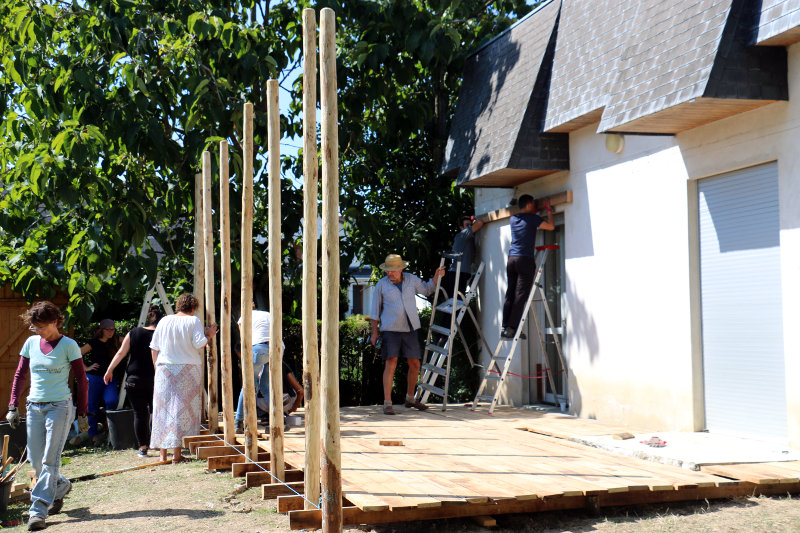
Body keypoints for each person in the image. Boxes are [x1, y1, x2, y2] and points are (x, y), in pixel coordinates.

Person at [6, 301, 89, 531]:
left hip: (59, 407)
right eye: (34, 327)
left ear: (54, 322)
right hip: (34, 407)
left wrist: (83, 412)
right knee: (35, 460)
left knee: (50, 460)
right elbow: (20, 374)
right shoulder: (31, 343)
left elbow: (82, 380)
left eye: (40, 326)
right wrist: (13, 405)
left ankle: (38, 511)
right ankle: (61, 486)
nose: (37, 330)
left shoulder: (69, 345)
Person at [370, 253, 445, 415]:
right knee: (391, 363)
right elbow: (374, 312)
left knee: (415, 364)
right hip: (390, 330)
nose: (389, 273)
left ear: (400, 269)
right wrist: (374, 333)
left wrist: (436, 276)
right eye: (388, 270)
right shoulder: (381, 285)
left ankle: (410, 398)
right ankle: (387, 403)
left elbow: (427, 290)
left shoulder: (411, 279)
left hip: (410, 328)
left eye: (392, 270)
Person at [149, 294, 217, 463]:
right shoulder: (193, 321)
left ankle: (163, 455)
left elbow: (154, 347)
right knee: (181, 410)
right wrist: (209, 334)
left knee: (163, 409)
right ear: (193, 308)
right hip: (188, 368)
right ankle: (177, 454)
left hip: (164, 368)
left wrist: (157, 367)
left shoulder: (164, 320)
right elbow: (199, 343)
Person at [104, 305, 164, 457]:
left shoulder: (134, 332)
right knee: (156, 412)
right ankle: (157, 444)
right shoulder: (162, 333)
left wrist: (109, 370)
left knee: (139, 414)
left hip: (134, 379)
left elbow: (121, 353)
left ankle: (142, 448)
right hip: (156, 378)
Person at [500, 194, 555, 339]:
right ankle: (512, 328)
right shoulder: (532, 218)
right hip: (525, 260)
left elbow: (526, 223)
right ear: (530, 204)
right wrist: (549, 211)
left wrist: (534, 215)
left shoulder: (513, 219)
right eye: (534, 204)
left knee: (510, 293)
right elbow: (551, 226)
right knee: (520, 295)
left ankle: (505, 326)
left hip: (512, 260)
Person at [80, 318, 120, 444]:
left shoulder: (116, 340)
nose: (111, 332)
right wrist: (86, 368)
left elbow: (132, 339)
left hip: (110, 378)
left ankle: (110, 429)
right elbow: (76, 354)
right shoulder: (93, 342)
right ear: (102, 330)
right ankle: (94, 435)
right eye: (108, 329)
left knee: (112, 401)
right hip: (94, 378)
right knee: (92, 406)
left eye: (113, 329)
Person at [234, 303, 271, 433]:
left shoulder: (244, 317)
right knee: (266, 386)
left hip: (258, 348)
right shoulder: (267, 314)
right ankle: (279, 419)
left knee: (248, 385)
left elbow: (244, 339)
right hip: (277, 348)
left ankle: (238, 422)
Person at [441, 215, 485, 300]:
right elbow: (480, 223)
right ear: (461, 228)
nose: (470, 227)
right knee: (456, 302)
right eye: (467, 225)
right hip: (457, 274)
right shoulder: (463, 234)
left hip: (459, 273)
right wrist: (476, 219)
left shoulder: (467, 238)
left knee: (455, 302)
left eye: (470, 224)